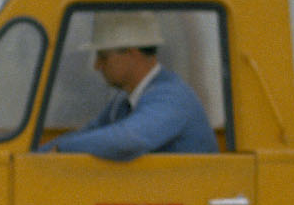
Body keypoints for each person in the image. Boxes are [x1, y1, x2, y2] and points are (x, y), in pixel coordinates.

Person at [38, 24, 208, 160]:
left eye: (103, 57)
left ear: (132, 53)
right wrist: (35, 158)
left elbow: (129, 140)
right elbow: (89, 132)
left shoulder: (172, 98)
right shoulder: (123, 102)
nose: (97, 66)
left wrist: (63, 149)